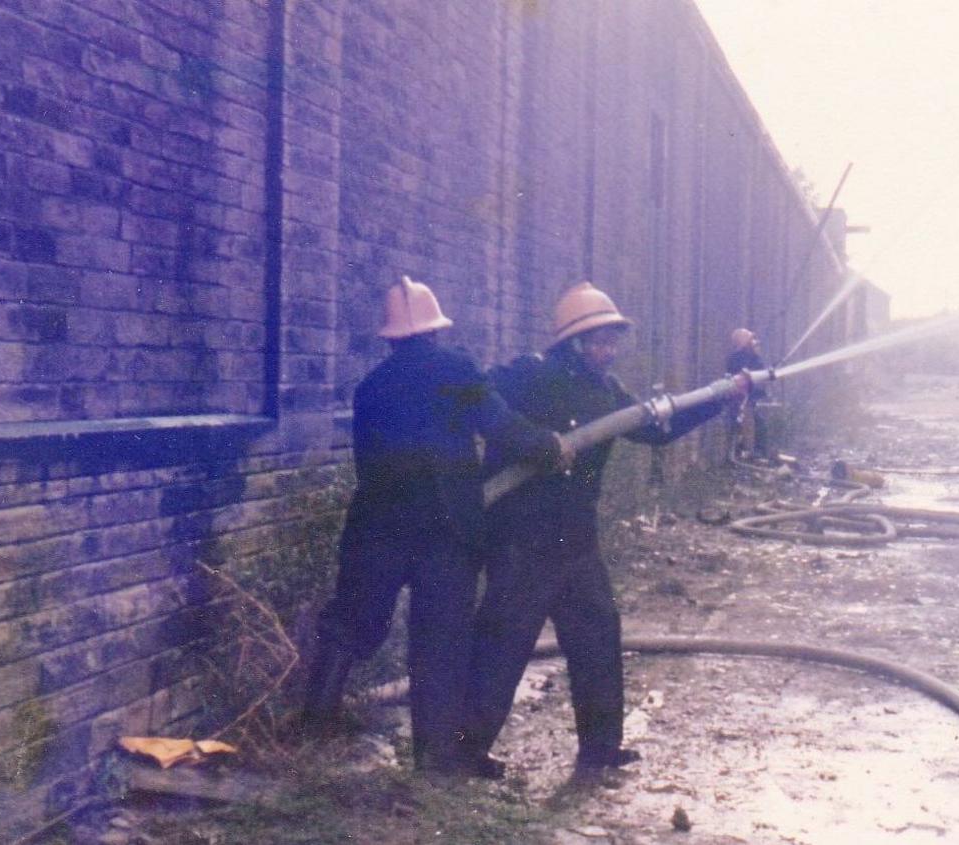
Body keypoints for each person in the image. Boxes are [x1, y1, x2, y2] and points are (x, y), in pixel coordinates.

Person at [460, 282, 749, 778]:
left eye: (614, 340)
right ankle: (466, 752)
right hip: (521, 541)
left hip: (575, 542)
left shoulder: (607, 391)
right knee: (503, 645)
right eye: (600, 340)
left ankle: (600, 750)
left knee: (597, 639)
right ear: (573, 341)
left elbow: (656, 428)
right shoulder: (528, 376)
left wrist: (721, 397)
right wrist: (533, 442)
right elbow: (475, 399)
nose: (609, 350)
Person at [300, 276, 572, 777]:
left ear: (391, 337)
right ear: (435, 330)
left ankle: (313, 732)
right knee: (440, 640)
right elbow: (500, 425)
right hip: (446, 530)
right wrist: (549, 446)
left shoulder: (370, 387)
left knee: (352, 624)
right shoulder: (456, 369)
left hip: (376, 527)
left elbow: (369, 463)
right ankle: (435, 758)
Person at [725, 328, 770, 460]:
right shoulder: (735, 358)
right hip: (740, 397)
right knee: (739, 423)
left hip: (752, 396)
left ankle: (758, 451)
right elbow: (735, 375)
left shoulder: (754, 356)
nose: (754, 342)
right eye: (750, 339)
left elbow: (760, 372)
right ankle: (740, 451)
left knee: (758, 422)